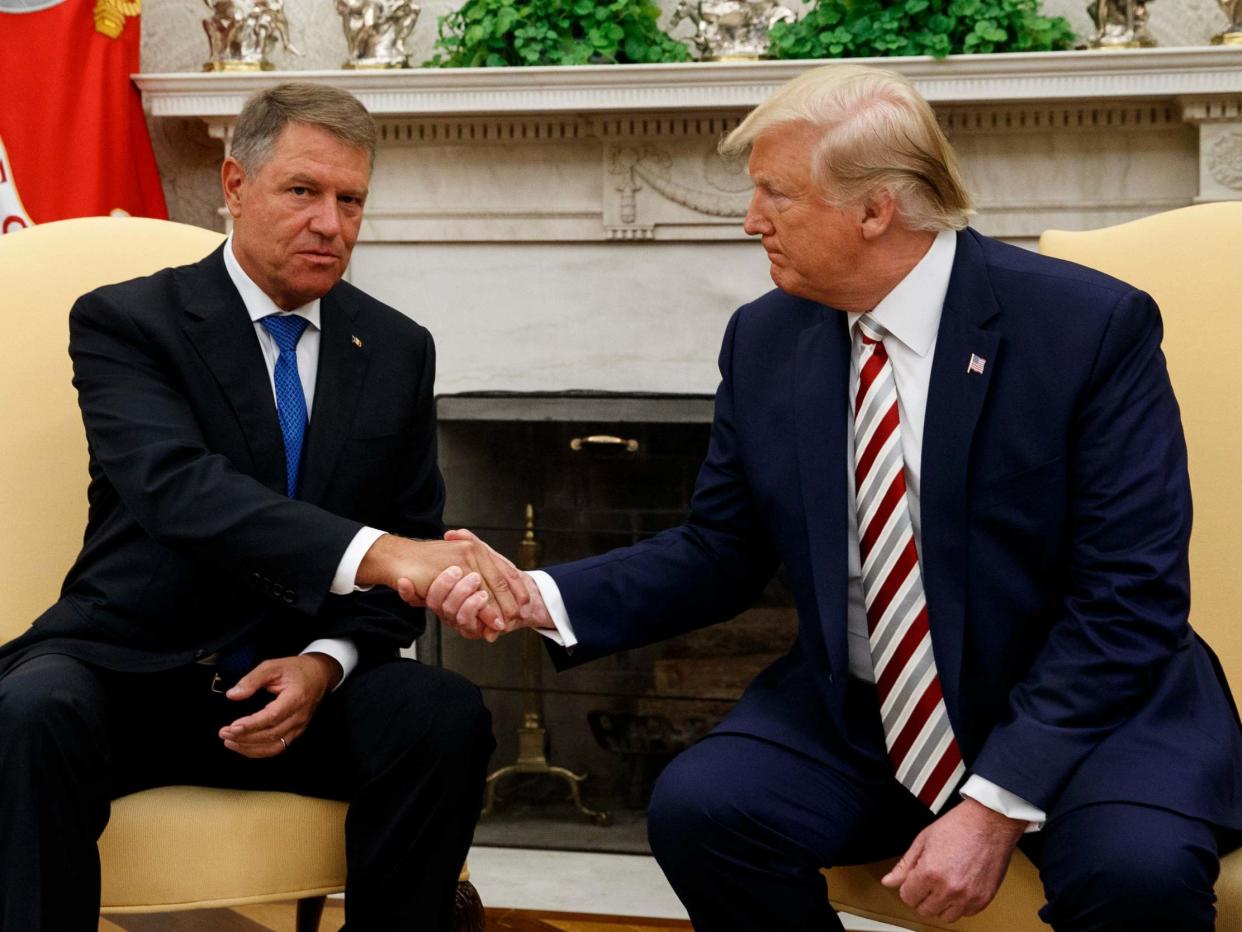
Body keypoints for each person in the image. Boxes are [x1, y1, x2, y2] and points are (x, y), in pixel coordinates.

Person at [428, 64, 1242, 930]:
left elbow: (1128, 598)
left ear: (875, 208)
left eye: (776, 195)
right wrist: (537, 596)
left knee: (1138, 878)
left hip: (1087, 714)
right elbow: (720, 551)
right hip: (868, 718)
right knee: (703, 809)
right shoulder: (768, 338)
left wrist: (997, 803)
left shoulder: (1087, 328)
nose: (751, 221)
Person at [0, 82, 527, 930]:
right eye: (303, 191)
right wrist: (385, 553)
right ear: (236, 185)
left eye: (350, 200)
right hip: (134, 667)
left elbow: (412, 549)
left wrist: (324, 664)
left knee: (442, 714)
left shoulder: (395, 347)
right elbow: (183, 493)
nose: (330, 222)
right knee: (32, 711)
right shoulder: (129, 322)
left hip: (298, 684)